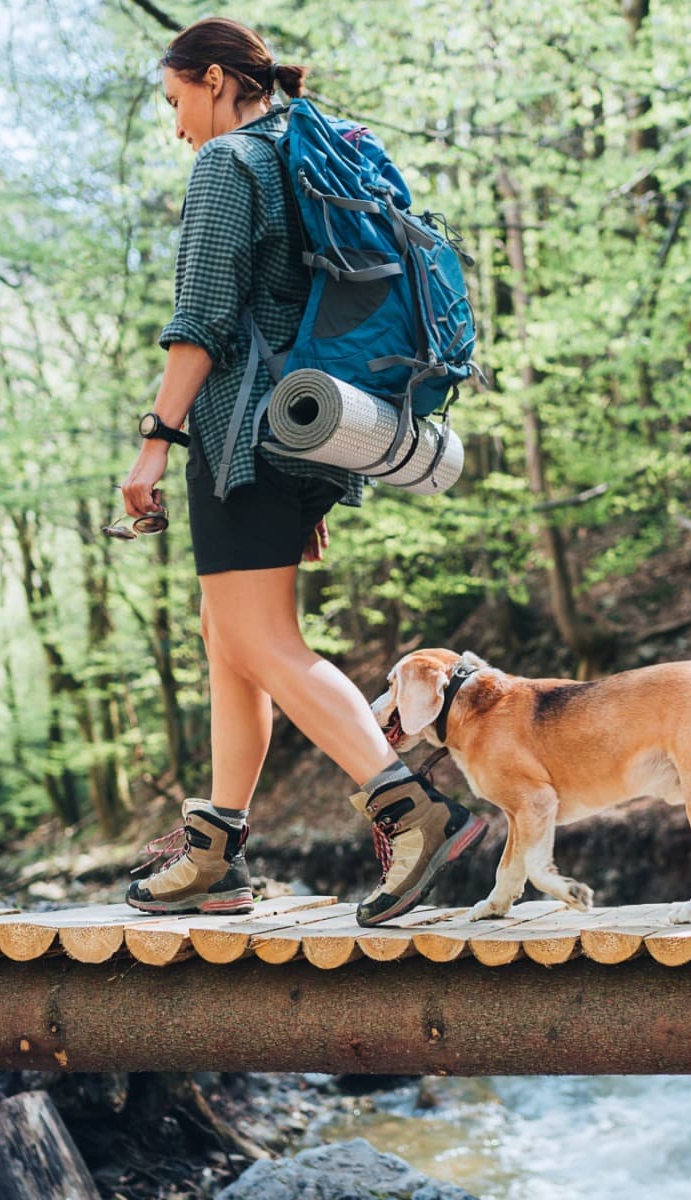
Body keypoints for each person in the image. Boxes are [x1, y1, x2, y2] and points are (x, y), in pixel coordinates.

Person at [117, 17, 484, 926]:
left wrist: (155, 440)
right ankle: (217, 849)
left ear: (211, 79)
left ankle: (406, 804)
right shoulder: (300, 149)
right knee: (225, 637)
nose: (178, 127)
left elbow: (201, 317)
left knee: (257, 643)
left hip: (245, 431)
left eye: (176, 103)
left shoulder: (230, 163)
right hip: (307, 427)